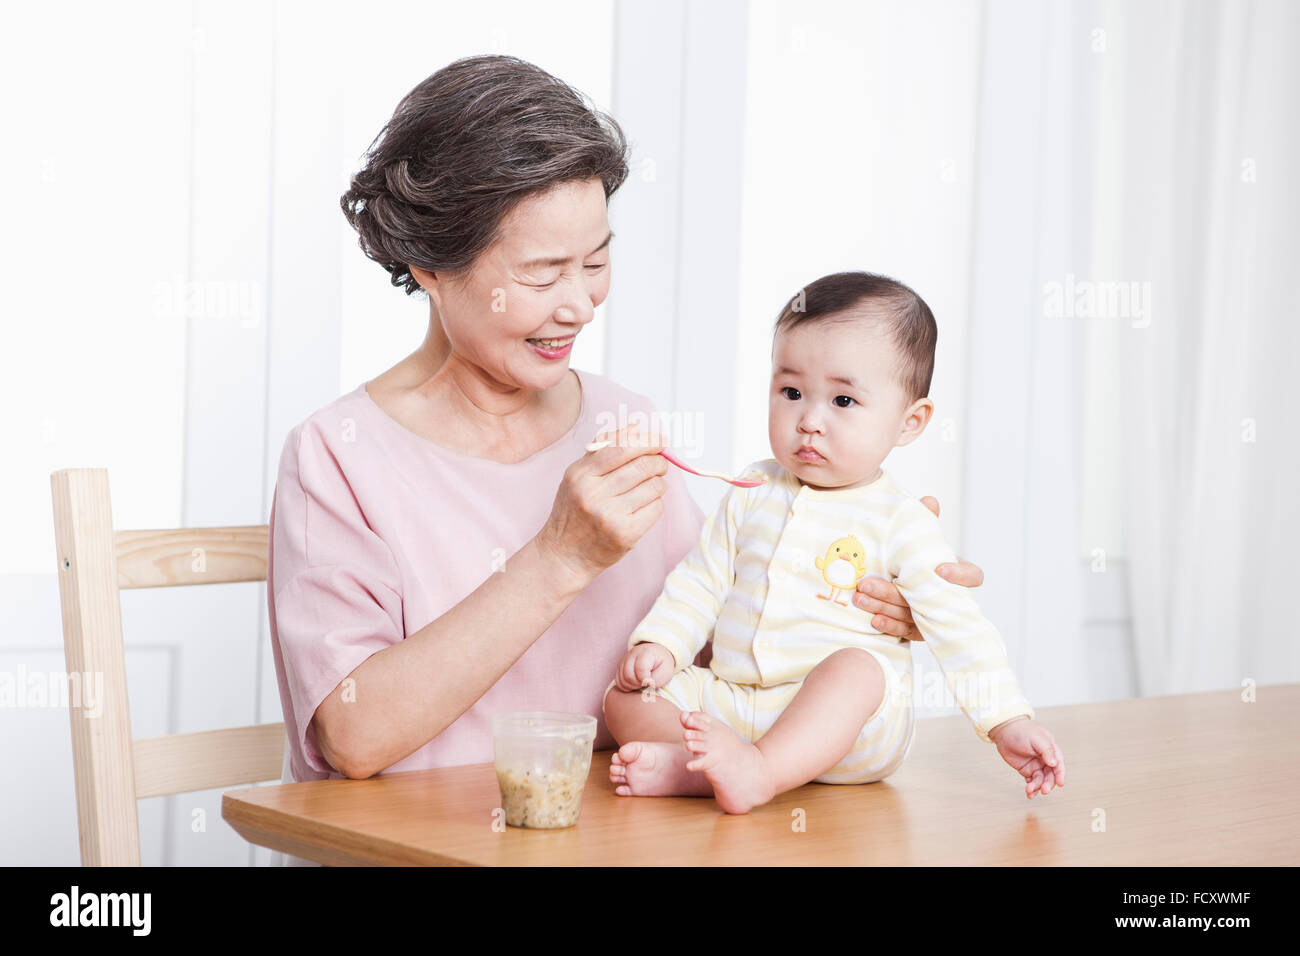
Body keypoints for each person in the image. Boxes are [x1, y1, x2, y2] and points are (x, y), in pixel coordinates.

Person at [266, 56, 984, 851]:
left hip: (628, 840)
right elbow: (351, 737)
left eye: (597, 263)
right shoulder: (339, 456)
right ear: (431, 263)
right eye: (542, 273)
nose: (579, 305)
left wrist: (858, 588)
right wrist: (559, 558)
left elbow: (724, 647)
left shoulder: (622, 422)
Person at [604, 272, 1065, 814]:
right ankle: (705, 769)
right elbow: (701, 583)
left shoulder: (902, 521)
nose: (810, 421)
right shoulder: (752, 489)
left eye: (843, 400)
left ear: (909, 422)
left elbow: (960, 628)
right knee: (626, 698)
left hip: (848, 730)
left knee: (857, 669)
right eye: (792, 392)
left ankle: (760, 772)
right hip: (740, 703)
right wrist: (660, 646)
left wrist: (1008, 720)